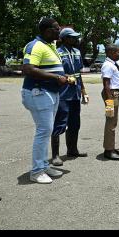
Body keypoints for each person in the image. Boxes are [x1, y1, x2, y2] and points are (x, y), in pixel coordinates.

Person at [21, 17, 73, 184]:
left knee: (46, 130)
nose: (60, 31)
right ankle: (36, 172)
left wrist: (61, 77)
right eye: (57, 28)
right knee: (43, 131)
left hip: (50, 92)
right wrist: (56, 77)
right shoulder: (35, 45)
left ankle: (43, 166)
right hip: (39, 92)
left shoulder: (50, 45)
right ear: (48, 30)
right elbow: (28, 69)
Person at [50, 28, 89, 166]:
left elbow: (78, 74)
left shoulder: (77, 52)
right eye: (72, 37)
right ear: (65, 38)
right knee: (59, 123)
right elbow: (55, 72)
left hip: (75, 93)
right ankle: (55, 155)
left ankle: (72, 150)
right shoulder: (57, 53)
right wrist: (66, 77)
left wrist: (84, 92)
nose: (75, 39)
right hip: (63, 93)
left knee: (75, 124)